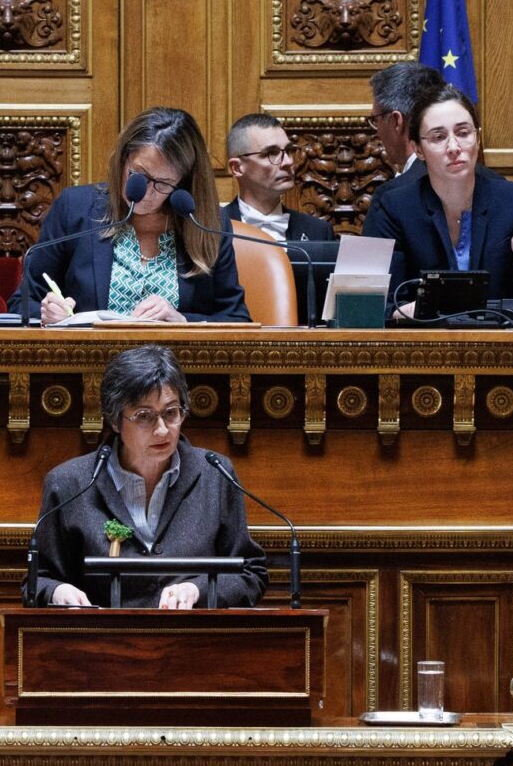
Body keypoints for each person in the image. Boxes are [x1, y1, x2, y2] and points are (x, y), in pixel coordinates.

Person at [23, 345, 267, 610]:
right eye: (144, 416)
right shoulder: (70, 483)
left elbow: (250, 574)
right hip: (103, 643)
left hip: (192, 642)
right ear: (115, 421)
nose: (162, 430)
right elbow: (38, 580)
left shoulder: (215, 474)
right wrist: (57, 591)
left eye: (171, 412)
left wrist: (198, 589)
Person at [23, 108, 249, 323]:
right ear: (123, 160)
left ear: (183, 183)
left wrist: (183, 321)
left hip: (177, 361)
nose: (146, 193)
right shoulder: (75, 208)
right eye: (139, 176)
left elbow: (237, 319)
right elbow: (22, 304)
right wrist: (50, 314)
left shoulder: (207, 223)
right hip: (88, 359)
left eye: (163, 183)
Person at [360, 83, 513, 315]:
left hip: (498, 345)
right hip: (421, 345)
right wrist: (404, 312)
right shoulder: (395, 207)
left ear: (478, 139)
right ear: (418, 149)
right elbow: (374, 302)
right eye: (438, 137)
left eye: (463, 133)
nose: (454, 147)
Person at [221, 112, 338, 318]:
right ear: (237, 167)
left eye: (288, 151)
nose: (287, 162)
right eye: (271, 153)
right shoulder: (210, 228)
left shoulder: (318, 231)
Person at [368, 60, 443, 187]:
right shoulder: (479, 179)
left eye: (376, 120)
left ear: (397, 121)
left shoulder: (394, 196)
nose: (377, 132)